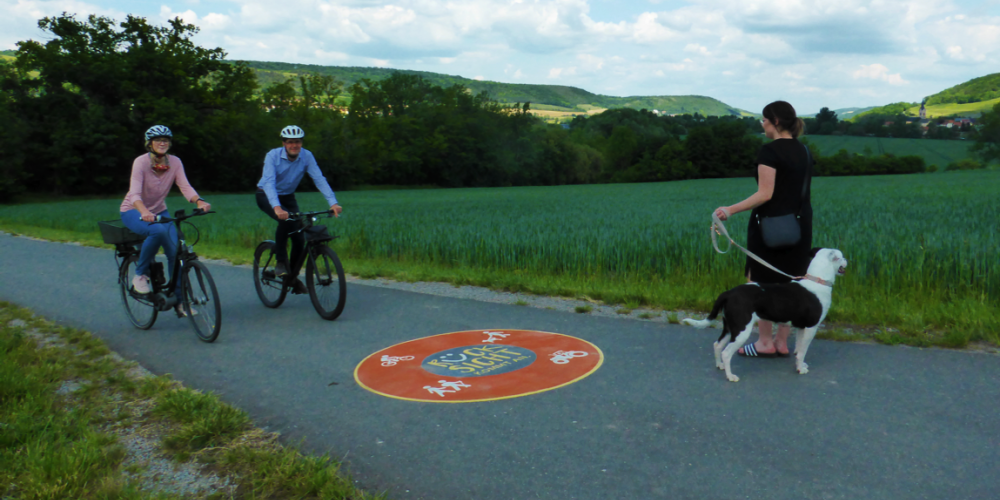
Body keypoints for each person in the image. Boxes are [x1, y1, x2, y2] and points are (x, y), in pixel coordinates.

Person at [713, 101, 814, 358]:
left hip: (769, 228)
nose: (762, 124)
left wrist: (730, 209)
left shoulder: (769, 151)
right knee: (791, 282)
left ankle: (765, 342)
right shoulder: (804, 150)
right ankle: (782, 343)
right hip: (799, 226)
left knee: (760, 283)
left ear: (776, 121)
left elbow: (765, 194)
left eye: (764, 120)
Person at [120, 125, 211, 317]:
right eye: (158, 139)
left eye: (166, 140)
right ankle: (140, 276)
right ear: (149, 143)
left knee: (176, 251)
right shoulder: (140, 162)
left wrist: (199, 201)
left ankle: (180, 302)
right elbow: (134, 193)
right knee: (157, 231)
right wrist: (144, 211)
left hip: (160, 210)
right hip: (133, 210)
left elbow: (185, 186)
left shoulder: (175, 162)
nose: (163, 143)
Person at [256, 125, 342, 294]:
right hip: (266, 195)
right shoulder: (272, 156)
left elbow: (319, 178)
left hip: (288, 196)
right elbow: (269, 183)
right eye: (290, 142)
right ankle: (280, 262)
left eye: (297, 142)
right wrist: (277, 207)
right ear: (284, 143)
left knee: (299, 237)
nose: (294, 145)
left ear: (301, 143)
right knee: (286, 221)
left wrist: (333, 202)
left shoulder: (306, 156)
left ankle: (292, 277)